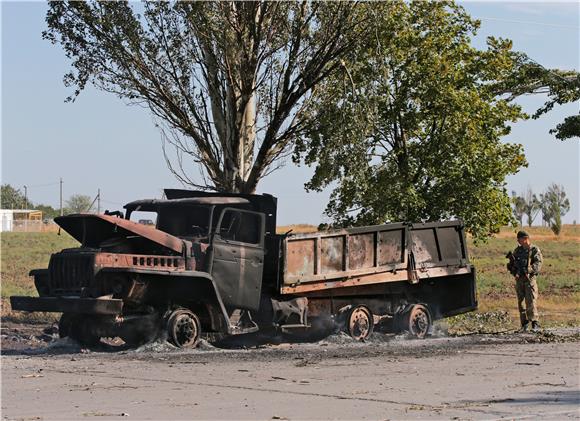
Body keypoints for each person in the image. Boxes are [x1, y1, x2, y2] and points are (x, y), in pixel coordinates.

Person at [507, 230, 543, 332]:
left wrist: (529, 270)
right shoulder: (517, 251)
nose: (518, 241)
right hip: (520, 280)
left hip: (529, 279)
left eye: (519, 239)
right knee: (521, 302)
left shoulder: (534, 250)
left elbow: (538, 263)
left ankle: (535, 323)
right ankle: (524, 324)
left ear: (525, 238)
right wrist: (514, 270)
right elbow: (512, 264)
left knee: (531, 301)